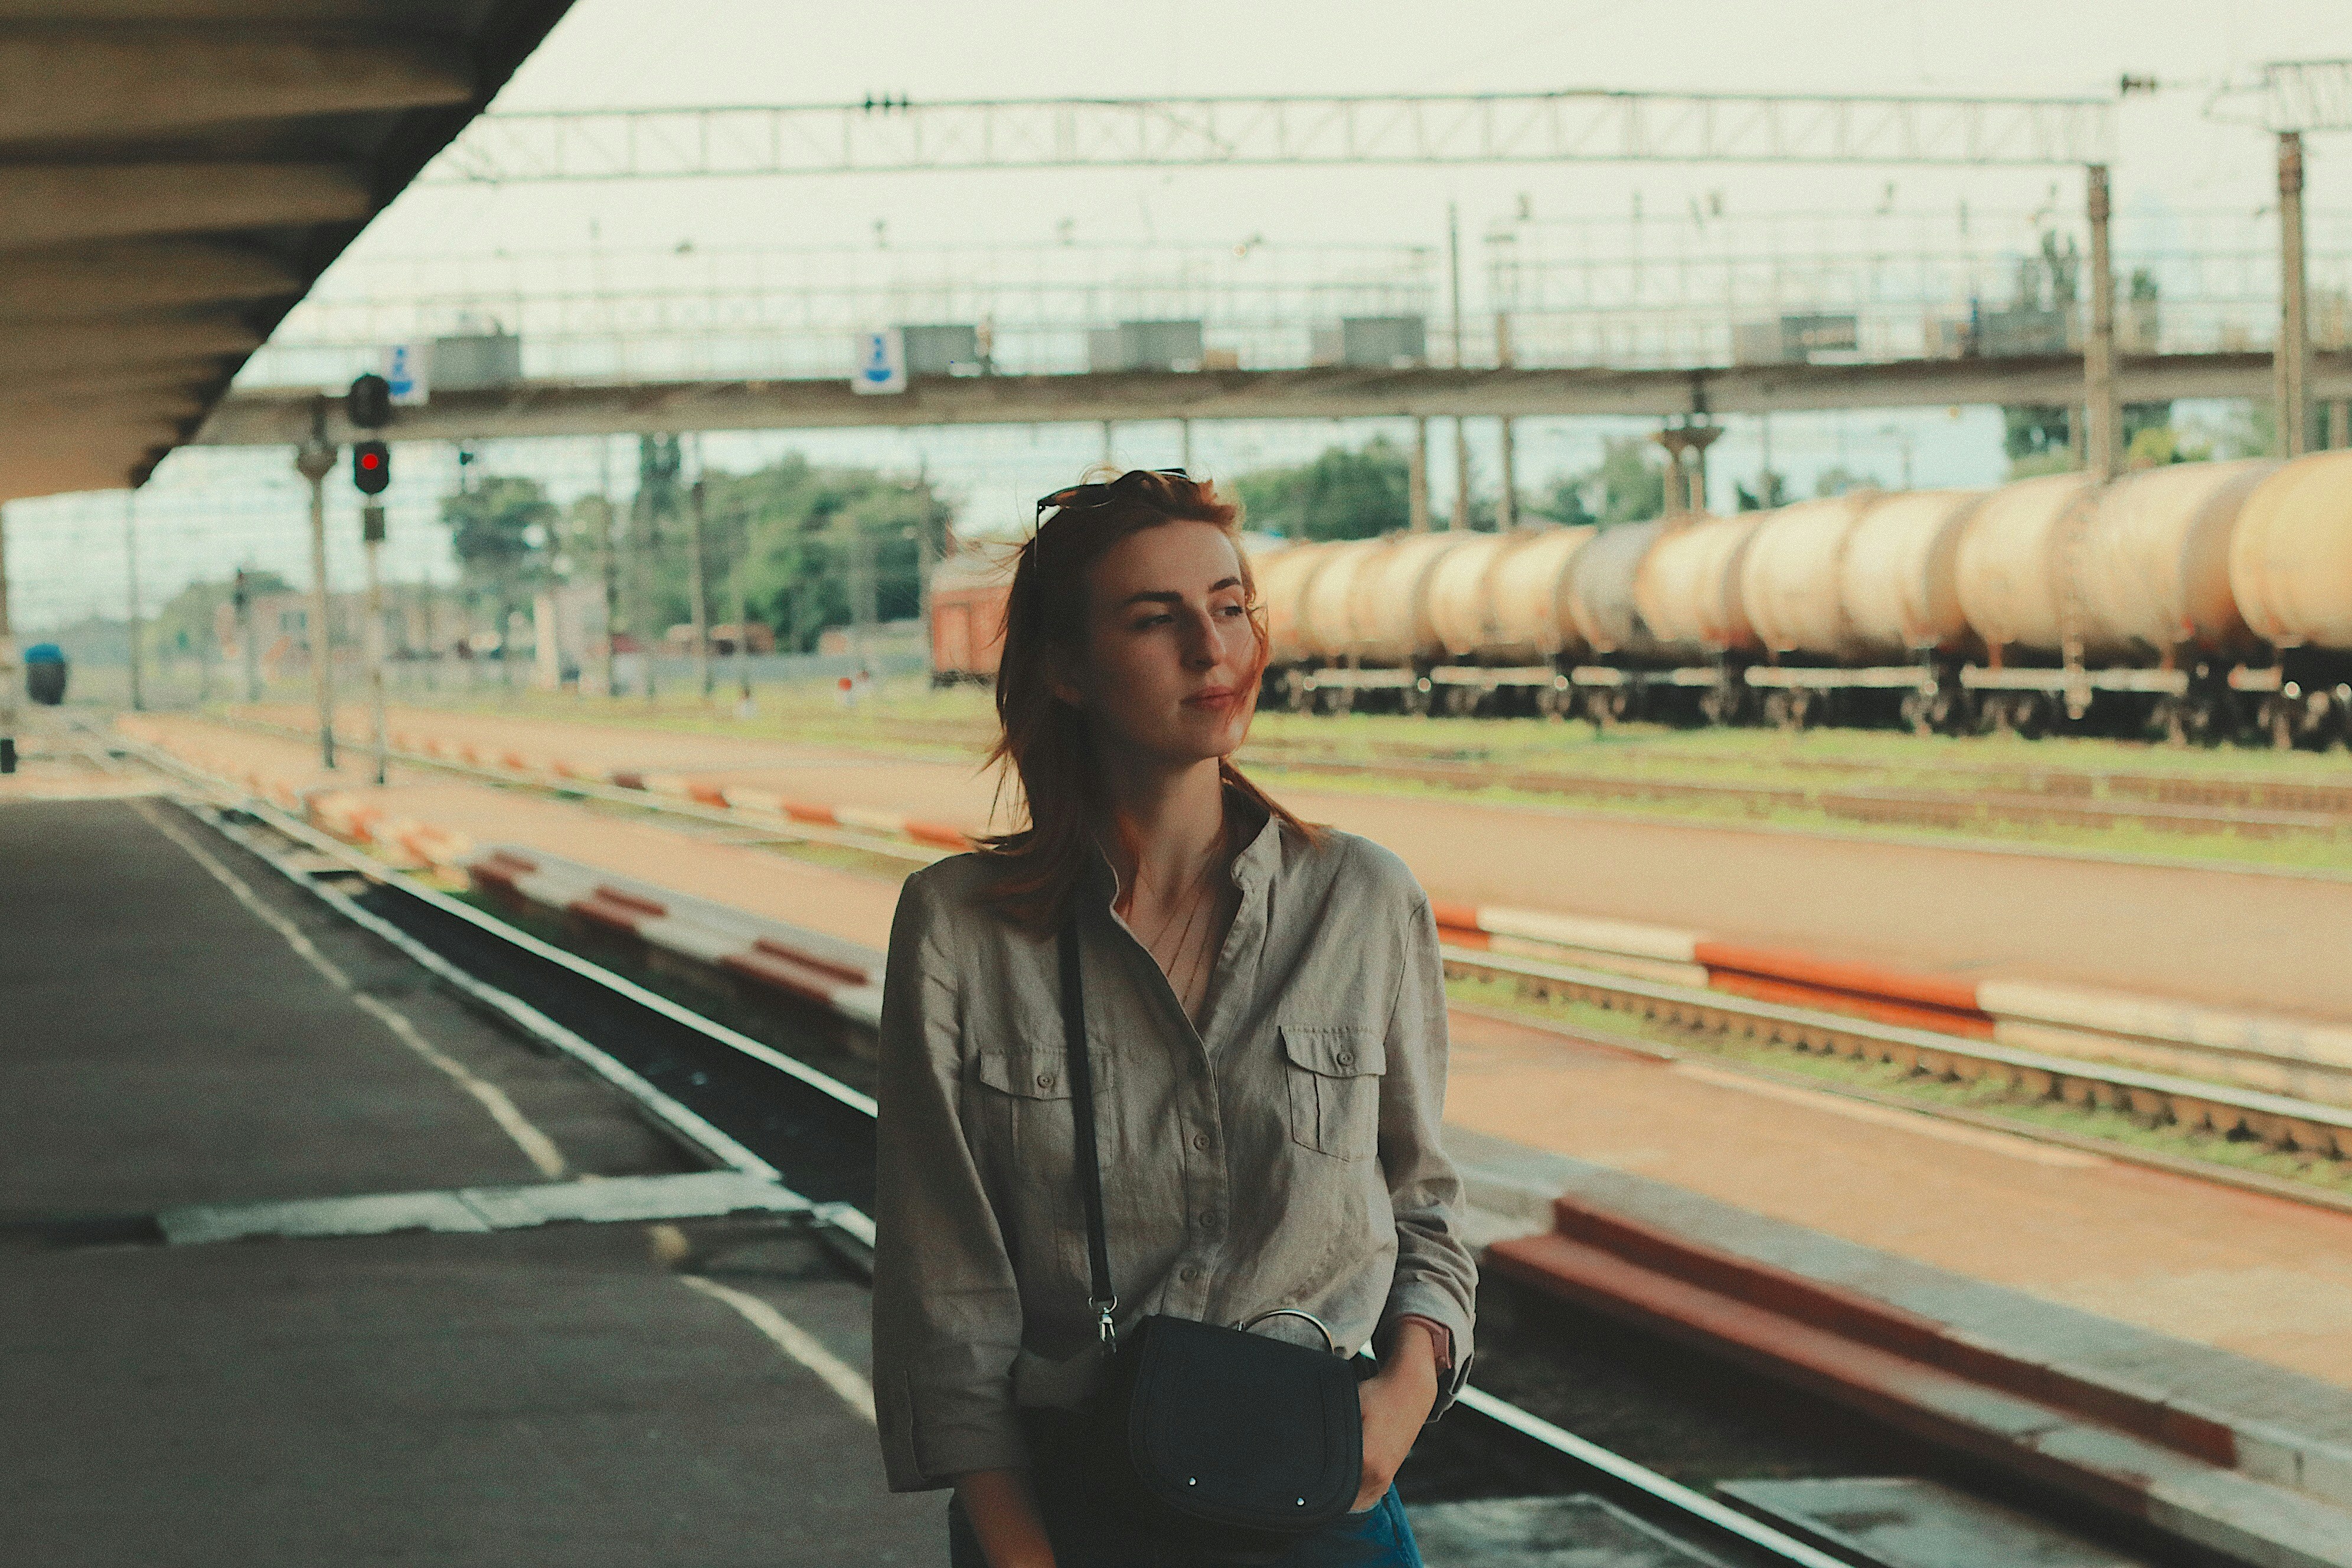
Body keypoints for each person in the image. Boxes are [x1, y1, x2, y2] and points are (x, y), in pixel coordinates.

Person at [871, 468, 1478, 1567]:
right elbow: (943, 1290)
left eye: (1230, 607)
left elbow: (1423, 1213)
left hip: (1322, 1509)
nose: (1213, 649)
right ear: (1065, 669)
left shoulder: (1362, 901)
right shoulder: (962, 930)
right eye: (1157, 620)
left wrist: (1396, 1410)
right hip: (1066, 1514)